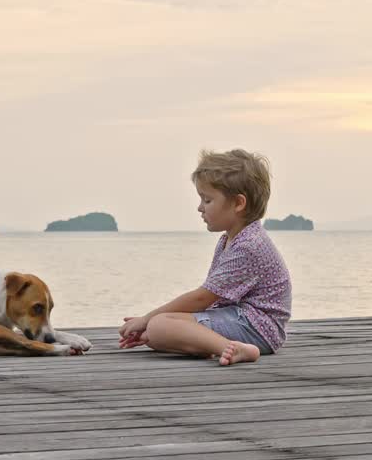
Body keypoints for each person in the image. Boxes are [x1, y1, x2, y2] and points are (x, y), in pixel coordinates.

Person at [119, 149, 292, 365]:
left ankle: (229, 349)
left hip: (258, 328)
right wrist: (151, 330)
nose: (200, 208)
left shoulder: (249, 245)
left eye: (207, 200)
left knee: (159, 324)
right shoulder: (230, 239)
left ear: (239, 203)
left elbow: (203, 298)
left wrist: (147, 319)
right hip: (241, 319)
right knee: (157, 330)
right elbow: (214, 299)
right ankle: (199, 343)